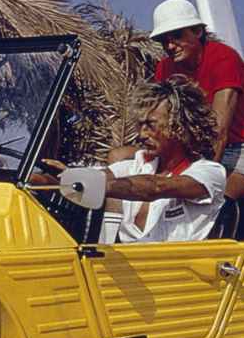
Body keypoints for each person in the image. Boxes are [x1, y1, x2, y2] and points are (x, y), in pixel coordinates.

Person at [106, 0, 244, 239]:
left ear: (198, 31)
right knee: (118, 156)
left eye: (177, 36)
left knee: (215, 203)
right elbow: (157, 120)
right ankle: (107, 240)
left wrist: (199, 173)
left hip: (235, 151)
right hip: (188, 150)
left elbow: (219, 131)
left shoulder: (223, 58)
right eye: (164, 40)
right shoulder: (165, 67)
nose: (170, 45)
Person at [47, 76, 228, 243]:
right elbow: (91, 177)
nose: (141, 135)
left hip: (180, 272)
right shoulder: (136, 167)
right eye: (140, 125)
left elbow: (155, 187)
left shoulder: (209, 173)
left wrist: (97, 185)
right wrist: (47, 179)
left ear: (179, 126)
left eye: (150, 125)